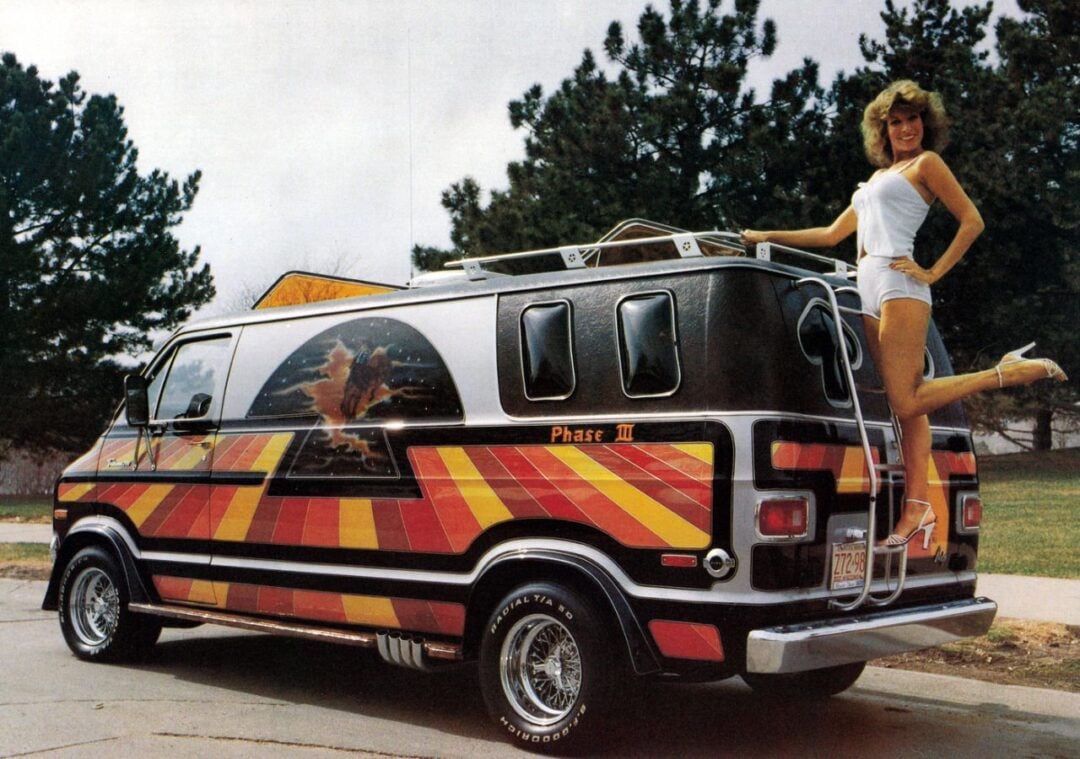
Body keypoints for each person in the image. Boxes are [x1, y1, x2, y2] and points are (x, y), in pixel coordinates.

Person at [741, 80, 1067, 546]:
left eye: (912, 119)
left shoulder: (927, 165)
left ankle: (1004, 373)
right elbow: (832, 235)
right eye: (896, 122)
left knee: (906, 400)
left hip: (901, 281)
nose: (906, 128)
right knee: (910, 413)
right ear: (883, 130)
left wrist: (932, 272)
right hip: (866, 283)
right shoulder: (874, 180)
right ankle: (918, 507)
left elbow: (972, 220)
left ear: (924, 123)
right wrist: (765, 235)